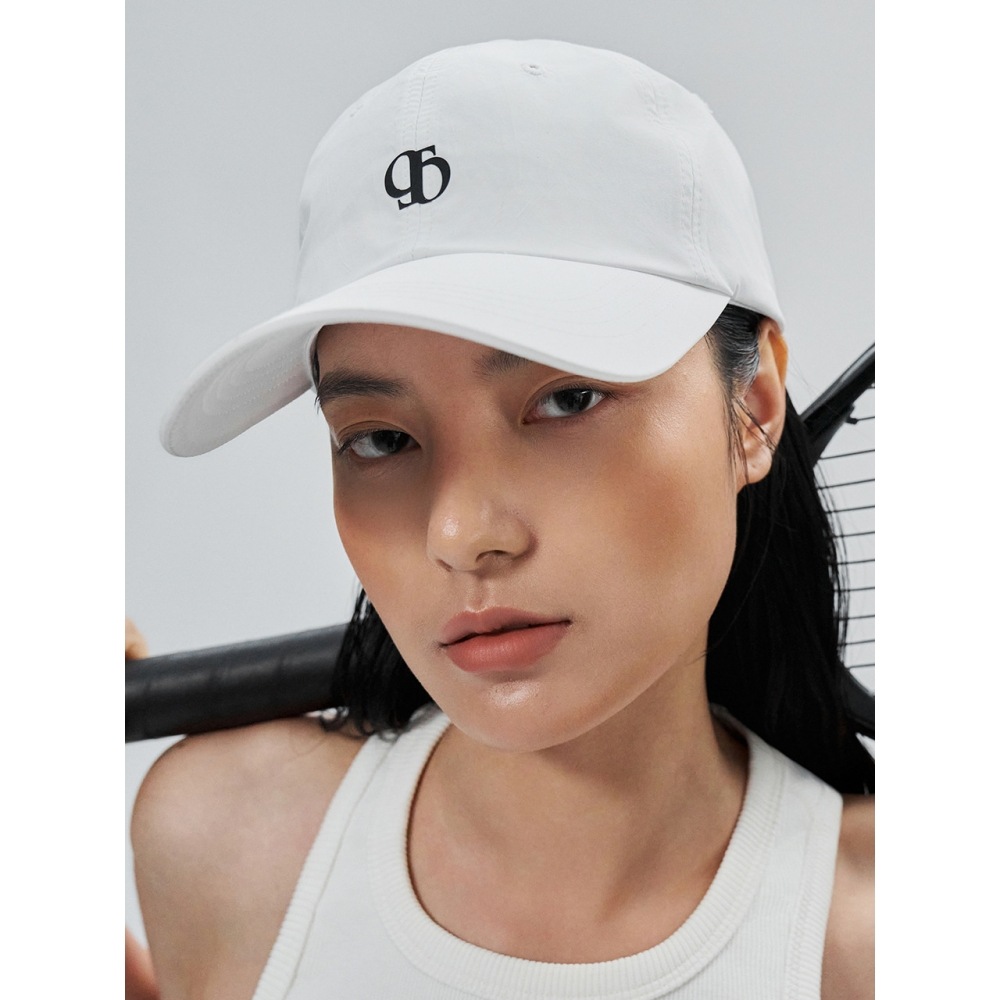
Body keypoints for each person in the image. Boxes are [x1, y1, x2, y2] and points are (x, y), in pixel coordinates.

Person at [131, 39, 874, 1000]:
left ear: (756, 407)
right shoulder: (221, 839)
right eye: (381, 439)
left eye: (566, 400)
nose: (459, 533)